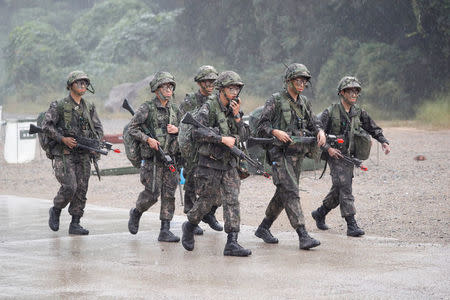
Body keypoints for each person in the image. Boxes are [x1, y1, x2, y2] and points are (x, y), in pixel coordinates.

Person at [254, 63, 325, 250]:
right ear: (288, 81)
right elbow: (261, 126)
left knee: (283, 193)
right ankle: (303, 234)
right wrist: (275, 131)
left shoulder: (304, 103)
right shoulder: (276, 100)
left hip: (298, 155)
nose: (302, 84)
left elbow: (314, 122)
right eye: (298, 80)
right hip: (280, 154)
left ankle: (263, 227)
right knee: (291, 191)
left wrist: (320, 131)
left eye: (304, 81)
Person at [181, 71, 252, 257]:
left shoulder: (234, 109)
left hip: (229, 164)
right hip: (209, 164)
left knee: (232, 201)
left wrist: (237, 118)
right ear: (221, 89)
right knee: (205, 202)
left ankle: (232, 242)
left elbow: (245, 135)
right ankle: (189, 226)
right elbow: (196, 133)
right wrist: (221, 139)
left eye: (237, 88)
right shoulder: (209, 107)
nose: (235, 92)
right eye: (231, 88)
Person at [311, 76, 390, 236]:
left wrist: (383, 141)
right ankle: (351, 225)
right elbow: (316, 129)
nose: (354, 94)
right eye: (350, 91)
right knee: (345, 188)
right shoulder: (330, 111)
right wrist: (328, 149)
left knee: (338, 189)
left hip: (348, 157)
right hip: (334, 155)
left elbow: (372, 127)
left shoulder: (358, 112)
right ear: (342, 93)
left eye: (356, 91)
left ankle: (320, 213)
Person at [44, 70, 103, 235]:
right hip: (64, 153)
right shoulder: (59, 105)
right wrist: (63, 139)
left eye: (85, 83)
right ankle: (56, 209)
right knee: (70, 186)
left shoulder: (89, 106)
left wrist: (94, 144)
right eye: (79, 82)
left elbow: (98, 128)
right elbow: (46, 126)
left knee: (82, 189)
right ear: (70, 85)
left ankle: (75, 223)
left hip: (83, 154)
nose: (83, 85)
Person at [127, 71, 181, 243]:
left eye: (171, 86)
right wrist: (147, 139)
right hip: (153, 161)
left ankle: (165, 229)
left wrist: (178, 130)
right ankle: (136, 212)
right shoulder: (146, 108)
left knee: (169, 194)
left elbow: (185, 131)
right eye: (165, 86)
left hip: (170, 158)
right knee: (152, 193)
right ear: (157, 89)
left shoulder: (175, 109)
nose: (169, 89)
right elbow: (132, 129)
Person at [178, 65, 223, 235]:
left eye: (213, 81)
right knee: (191, 182)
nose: (211, 84)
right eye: (207, 81)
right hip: (193, 147)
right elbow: (181, 123)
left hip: (213, 146)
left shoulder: (218, 99)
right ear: (200, 82)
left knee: (217, 182)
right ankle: (192, 219)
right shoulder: (190, 101)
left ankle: (210, 213)